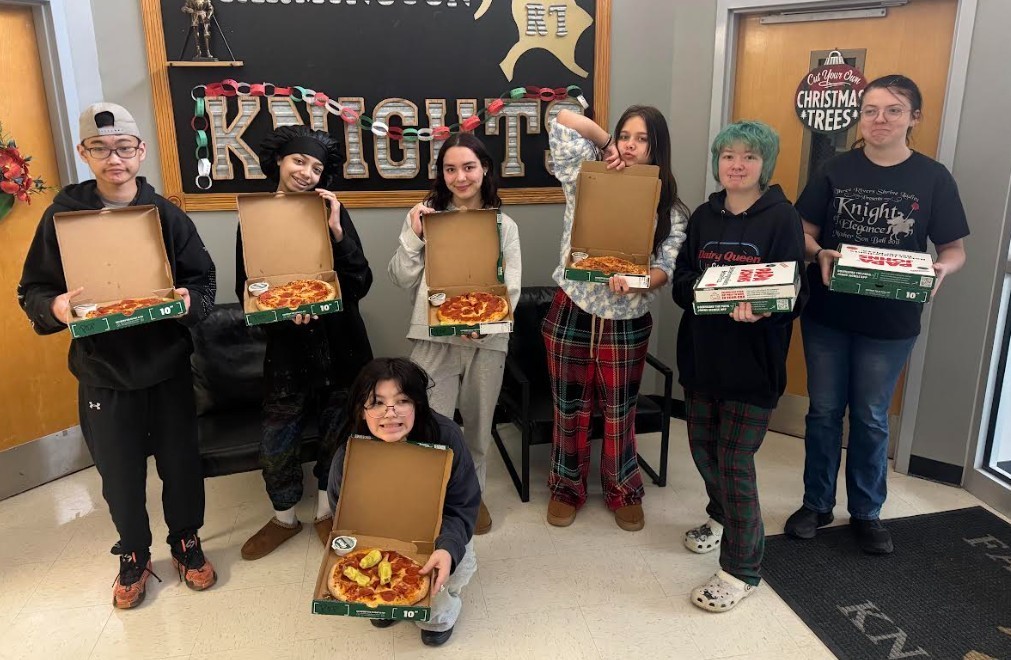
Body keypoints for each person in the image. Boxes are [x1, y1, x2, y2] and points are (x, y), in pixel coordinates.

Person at [17, 102, 218, 608]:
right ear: (85, 154)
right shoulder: (63, 216)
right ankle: (133, 554)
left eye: (124, 148)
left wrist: (191, 302)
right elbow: (34, 289)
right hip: (103, 371)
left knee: (180, 465)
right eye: (101, 149)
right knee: (119, 472)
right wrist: (56, 307)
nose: (115, 160)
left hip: (167, 366)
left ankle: (186, 543)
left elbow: (204, 281)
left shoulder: (166, 215)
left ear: (140, 151)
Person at [785, 74, 969, 554]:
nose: (880, 119)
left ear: (914, 117)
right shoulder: (834, 169)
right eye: (870, 110)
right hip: (828, 313)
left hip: (891, 323)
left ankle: (867, 511)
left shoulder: (933, 177)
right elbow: (801, 232)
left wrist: (941, 269)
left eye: (893, 110)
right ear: (859, 117)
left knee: (870, 416)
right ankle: (816, 503)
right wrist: (818, 252)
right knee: (824, 412)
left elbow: (953, 248)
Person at [672, 120, 807, 612]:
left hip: (754, 364)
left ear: (763, 165)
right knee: (704, 450)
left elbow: (795, 291)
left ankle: (741, 569)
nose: (737, 165)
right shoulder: (704, 217)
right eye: (728, 155)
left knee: (734, 463)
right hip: (703, 357)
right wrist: (710, 293)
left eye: (748, 156)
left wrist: (765, 305)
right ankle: (722, 516)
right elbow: (682, 279)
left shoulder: (782, 218)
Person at [542, 107, 689, 531]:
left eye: (641, 139)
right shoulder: (585, 177)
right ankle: (565, 487)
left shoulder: (670, 209)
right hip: (573, 308)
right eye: (625, 135)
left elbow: (668, 267)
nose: (630, 144)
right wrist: (604, 143)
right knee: (568, 408)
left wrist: (640, 282)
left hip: (626, 319)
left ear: (656, 146)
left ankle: (622, 487)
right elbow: (563, 118)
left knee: (619, 411)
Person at [237, 125, 374, 560]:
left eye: (316, 167)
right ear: (279, 161)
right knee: (278, 439)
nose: (307, 172)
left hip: (340, 343)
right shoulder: (255, 215)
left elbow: (360, 282)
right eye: (299, 161)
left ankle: (325, 511)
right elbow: (250, 289)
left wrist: (337, 230)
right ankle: (283, 517)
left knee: (338, 432)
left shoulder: (332, 210)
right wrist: (281, 314)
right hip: (287, 350)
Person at [388, 133, 521, 535]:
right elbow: (400, 277)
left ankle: (471, 498)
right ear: (441, 174)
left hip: (488, 339)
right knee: (431, 425)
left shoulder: (504, 224)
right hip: (432, 337)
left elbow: (510, 286)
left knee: (479, 428)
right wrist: (413, 235)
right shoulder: (426, 217)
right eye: (450, 169)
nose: (460, 177)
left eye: (468, 167)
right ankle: (434, 502)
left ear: (484, 170)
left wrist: (484, 323)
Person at [328, 357, 480, 647]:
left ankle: (441, 617)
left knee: (443, 587)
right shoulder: (348, 454)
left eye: (402, 401)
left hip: (439, 530)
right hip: (377, 541)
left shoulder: (446, 436)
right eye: (376, 403)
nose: (390, 413)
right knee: (373, 589)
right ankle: (388, 603)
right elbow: (342, 516)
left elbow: (461, 506)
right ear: (361, 410)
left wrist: (447, 548)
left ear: (417, 405)